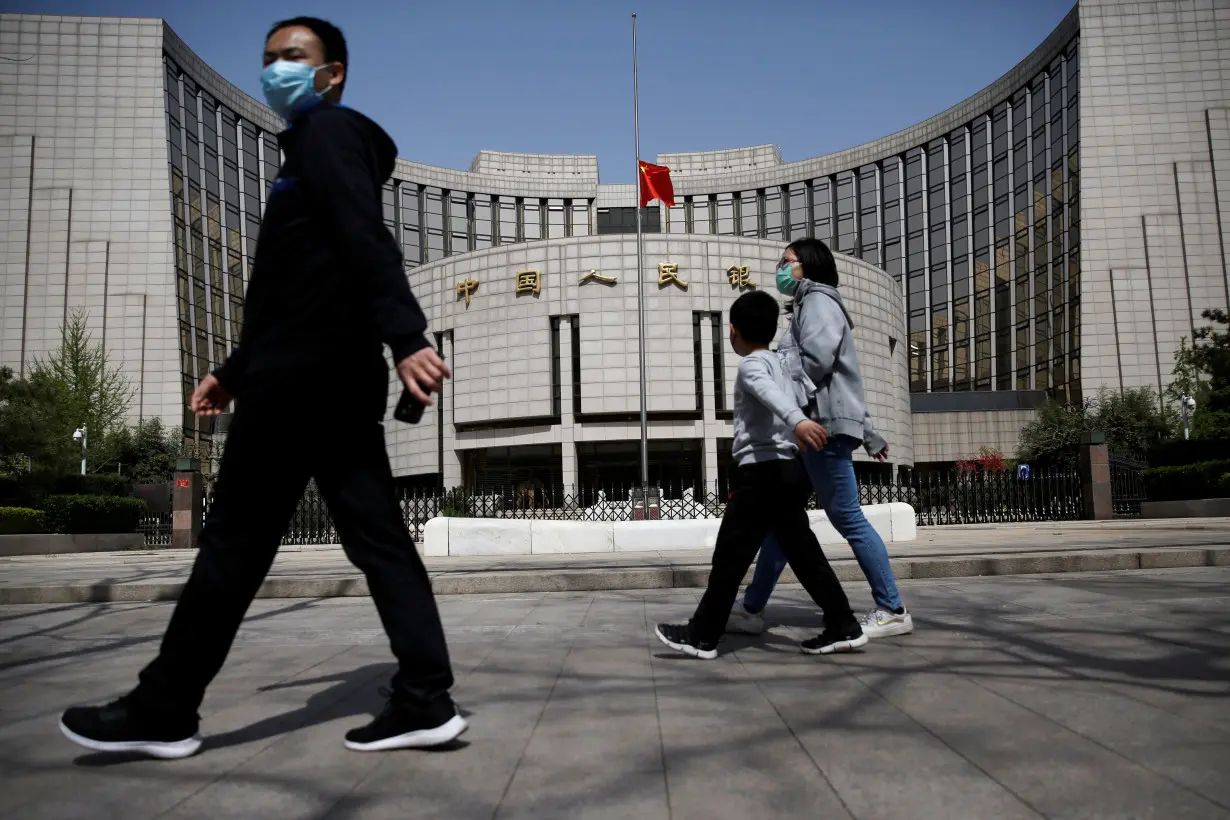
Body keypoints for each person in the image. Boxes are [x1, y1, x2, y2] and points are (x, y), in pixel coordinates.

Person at [59, 17, 465, 758]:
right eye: (269, 58)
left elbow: (362, 238)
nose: (275, 69)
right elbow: (300, 291)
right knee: (376, 541)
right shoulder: (309, 158)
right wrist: (233, 370)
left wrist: (408, 334)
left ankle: (165, 706)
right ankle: (425, 696)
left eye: (293, 58)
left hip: (301, 387)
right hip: (320, 378)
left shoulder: (324, 136)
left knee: (234, 547)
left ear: (331, 72)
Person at [654, 290, 867, 660]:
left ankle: (702, 636)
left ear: (733, 331)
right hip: (786, 472)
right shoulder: (783, 366)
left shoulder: (752, 365)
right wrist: (801, 423)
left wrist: (797, 422)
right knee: (803, 553)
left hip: (760, 475)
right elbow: (798, 396)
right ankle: (843, 624)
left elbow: (771, 397)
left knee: (730, 558)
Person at [725, 238, 913, 640]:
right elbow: (841, 380)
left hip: (821, 430)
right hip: (817, 427)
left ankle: (892, 608)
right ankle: (752, 608)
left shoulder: (820, 304)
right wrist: (869, 433)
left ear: (808, 266)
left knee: (847, 518)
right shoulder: (809, 306)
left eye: (787, 261)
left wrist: (774, 376)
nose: (781, 267)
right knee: (783, 521)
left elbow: (817, 362)